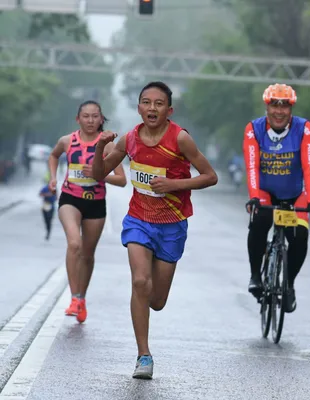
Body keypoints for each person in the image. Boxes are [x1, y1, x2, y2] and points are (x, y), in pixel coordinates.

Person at [92, 81, 218, 379]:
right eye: (146, 102)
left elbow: (210, 176)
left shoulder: (181, 139)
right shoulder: (130, 139)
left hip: (172, 225)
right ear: (138, 108)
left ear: (168, 110)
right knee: (140, 282)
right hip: (138, 220)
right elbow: (99, 174)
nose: (152, 108)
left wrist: (174, 185)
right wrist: (99, 148)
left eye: (158, 103)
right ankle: (143, 355)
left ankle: (144, 308)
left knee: (157, 300)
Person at [243, 83, 310, 313]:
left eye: (284, 106)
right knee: (258, 222)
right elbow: (251, 167)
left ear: (291, 109)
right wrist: (255, 197)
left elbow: (309, 167)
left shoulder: (304, 128)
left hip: (296, 194)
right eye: (274, 105)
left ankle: (289, 284)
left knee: (299, 237)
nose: (279, 111)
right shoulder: (253, 129)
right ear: (266, 107)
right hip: (266, 192)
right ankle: (256, 275)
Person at [48, 100, 127, 323]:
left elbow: (122, 181)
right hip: (70, 199)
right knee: (74, 244)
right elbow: (54, 156)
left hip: (95, 203)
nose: (90, 121)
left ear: (101, 119)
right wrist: (53, 178)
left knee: (88, 254)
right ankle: (74, 298)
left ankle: (81, 298)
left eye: (95, 116)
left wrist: (98, 174)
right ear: (78, 119)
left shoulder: (108, 147)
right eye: (86, 116)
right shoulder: (67, 141)